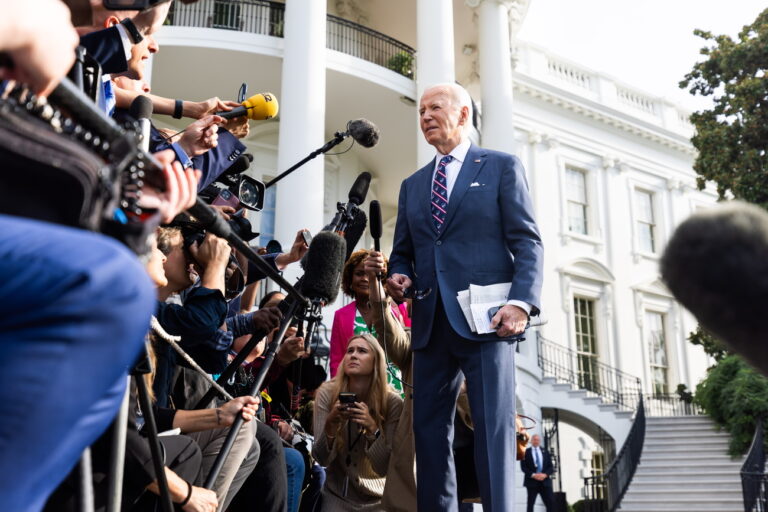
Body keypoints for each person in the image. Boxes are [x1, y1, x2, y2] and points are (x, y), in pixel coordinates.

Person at [388, 83, 544, 511]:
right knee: (430, 433)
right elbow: (403, 253)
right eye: (420, 110)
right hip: (431, 322)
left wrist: (520, 303)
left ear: (462, 114)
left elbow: (528, 242)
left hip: (488, 321)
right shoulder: (412, 186)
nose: (424, 116)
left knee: (494, 431)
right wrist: (399, 275)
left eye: (434, 107)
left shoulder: (501, 167)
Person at [313, 334, 403, 511]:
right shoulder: (327, 393)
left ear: (376, 361)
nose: (353, 355)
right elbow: (321, 458)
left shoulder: (392, 403)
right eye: (350, 351)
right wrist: (331, 425)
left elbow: (385, 468)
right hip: (337, 495)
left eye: (362, 351)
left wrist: (373, 429)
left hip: (379, 499)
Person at [329, 249, 410, 394]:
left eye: (370, 274)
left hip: (398, 392)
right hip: (359, 393)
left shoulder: (400, 309)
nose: (366, 279)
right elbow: (337, 361)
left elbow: (410, 352)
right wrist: (340, 394)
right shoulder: (341, 315)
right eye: (359, 273)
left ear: (383, 278)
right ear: (350, 279)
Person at [521, 435, 555, 512]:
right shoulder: (525, 452)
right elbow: (523, 467)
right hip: (531, 482)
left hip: (545, 482)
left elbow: (550, 467)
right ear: (531, 441)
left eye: (538, 440)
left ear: (540, 441)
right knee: (530, 504)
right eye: (534, 439)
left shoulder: (545, 452)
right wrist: (534, 475)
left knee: (550, 503)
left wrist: (545, 475)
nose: (536, 441)